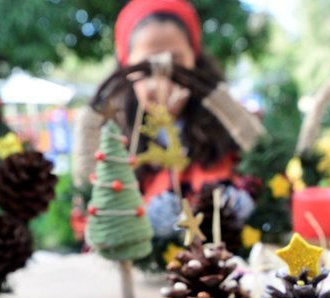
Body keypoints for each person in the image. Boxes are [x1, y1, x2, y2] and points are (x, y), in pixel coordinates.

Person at [74, 0, 263, 202]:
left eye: (176, 63)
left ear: (194, 61)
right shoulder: (111, 148)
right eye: (147, 67)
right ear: (127, 70)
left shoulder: (232, 135)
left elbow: (266, 177)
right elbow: (88, 210)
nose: (161, 82)